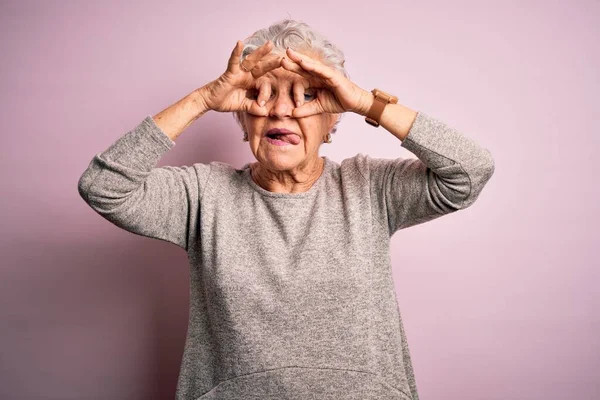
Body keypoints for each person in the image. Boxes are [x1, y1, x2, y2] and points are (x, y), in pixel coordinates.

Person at [78, 19, 494, 400]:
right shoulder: (203, 194)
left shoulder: (371, 187)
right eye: (261, 94)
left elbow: (470, 171)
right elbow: (103, 187)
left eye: (306, 96)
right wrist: (204, 98)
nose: (279, 109)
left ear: (333, 120)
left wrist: (368, 103)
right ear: (242, 119)